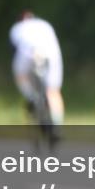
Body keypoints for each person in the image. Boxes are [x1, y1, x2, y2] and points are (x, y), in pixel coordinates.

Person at [9, 11, 65, 140]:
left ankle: (31, 97)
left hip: (26, 55)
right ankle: (57, 125)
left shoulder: (17, 28)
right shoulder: (45, 24)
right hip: (51, 53)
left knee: (21, 76)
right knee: (53, 91)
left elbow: (13, 49)